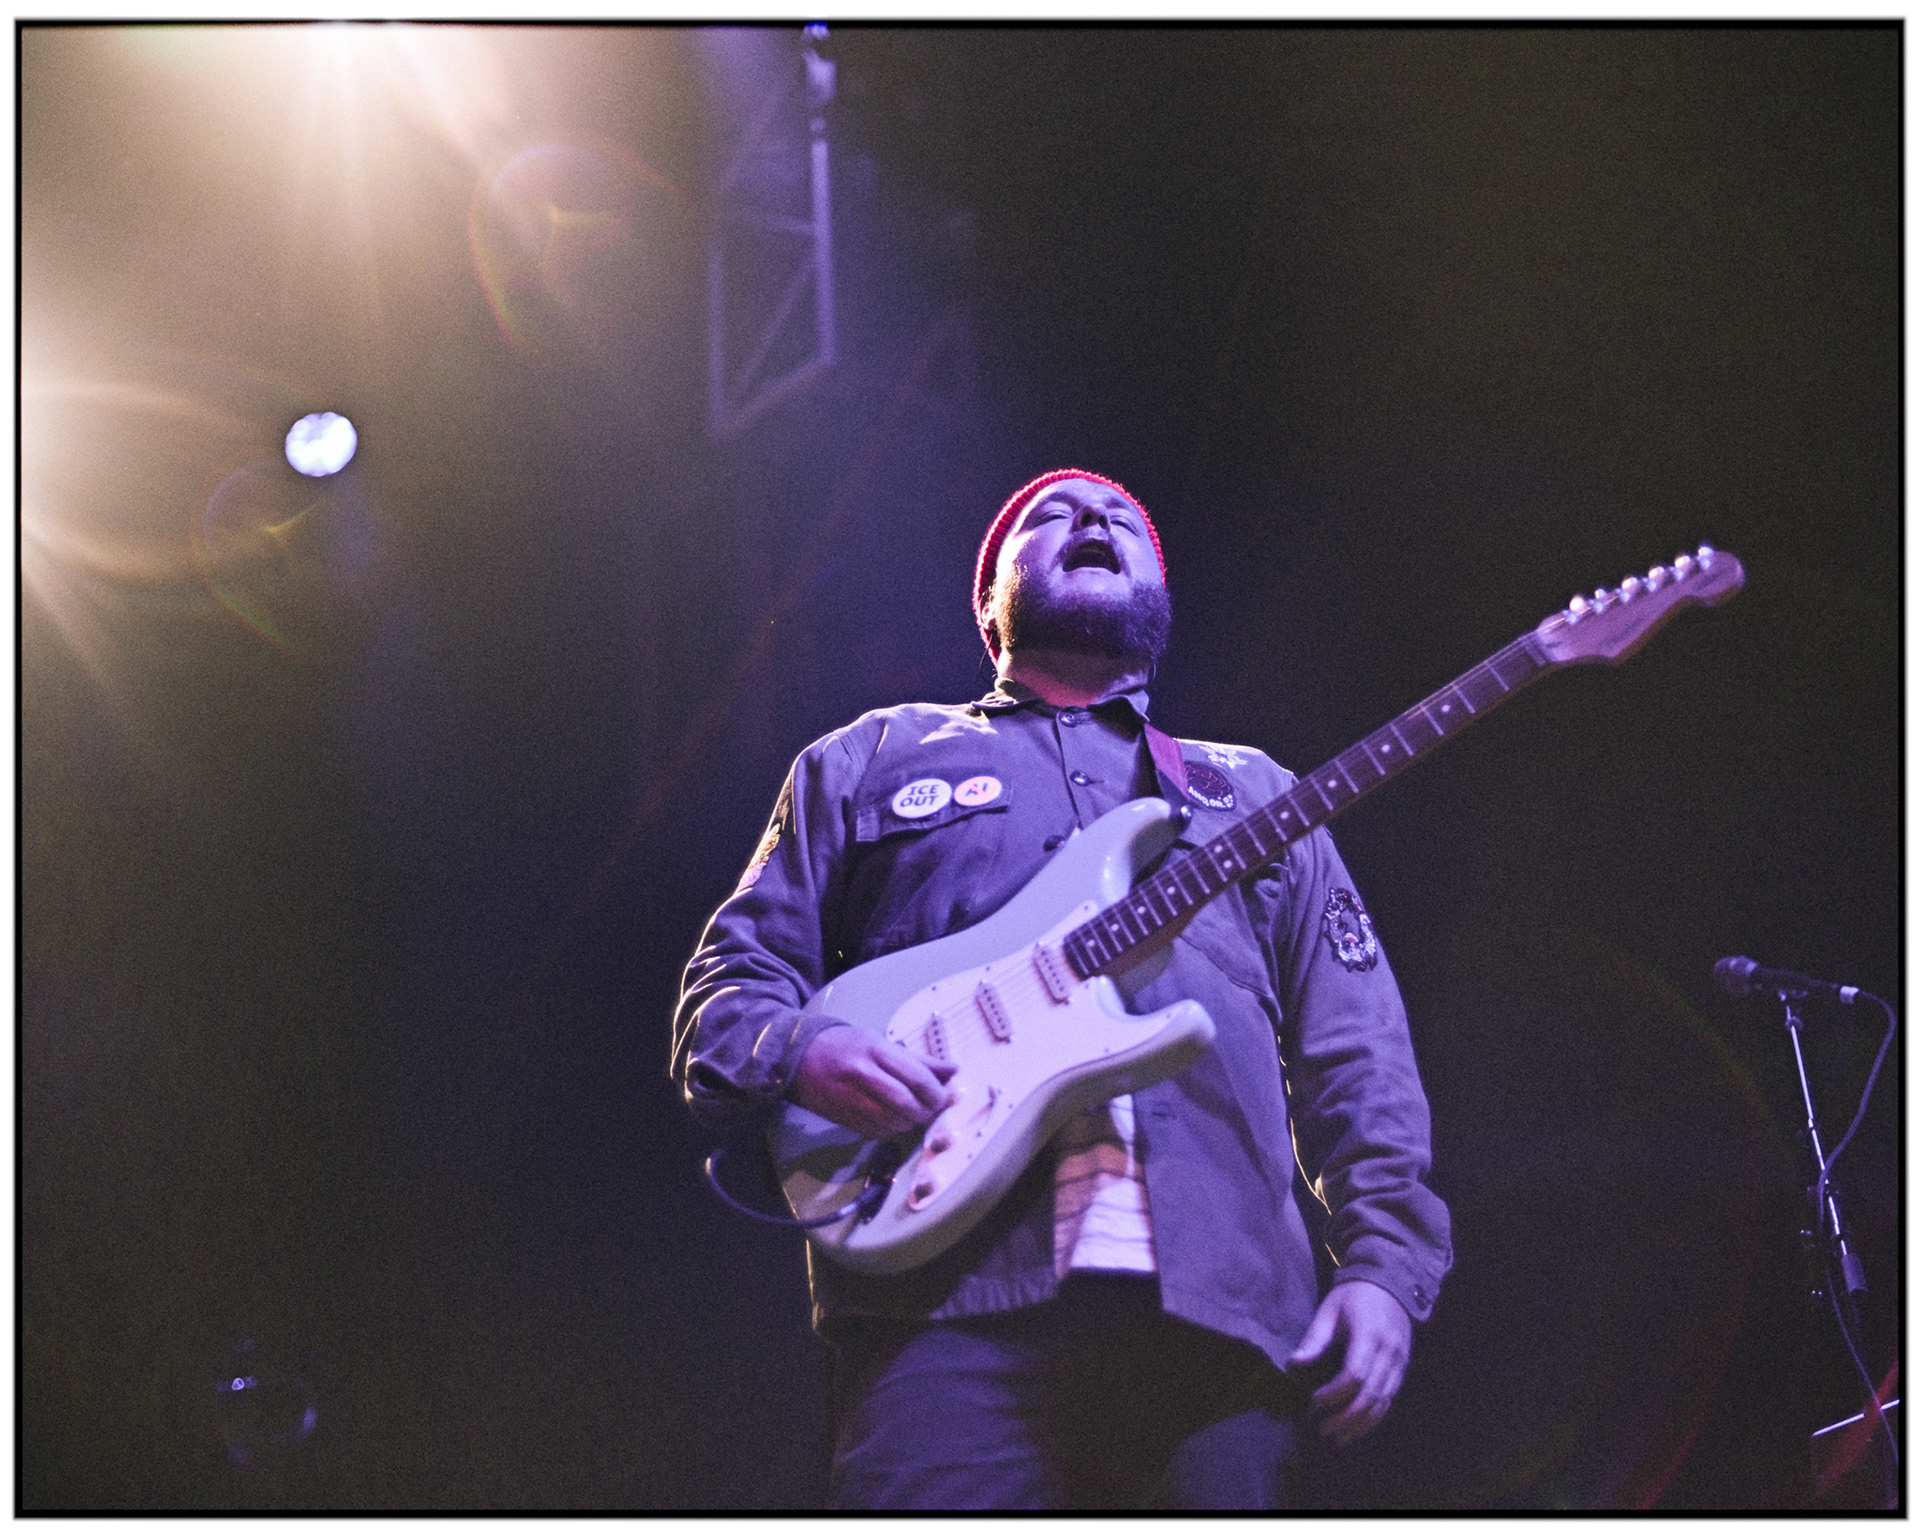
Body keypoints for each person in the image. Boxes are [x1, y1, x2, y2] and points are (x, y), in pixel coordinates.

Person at [672, 468, 1452, 1509]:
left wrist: (1383, 1265)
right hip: (936, 1317)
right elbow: (733, 983)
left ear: (1160, 602)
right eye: (1051, 515)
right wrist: (801, 1052)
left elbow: (1357, 1050)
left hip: (1220, 1330)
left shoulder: (1256, 793)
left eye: (1124, 518)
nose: (1093, 518)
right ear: (990, 603)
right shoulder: (868, 758)